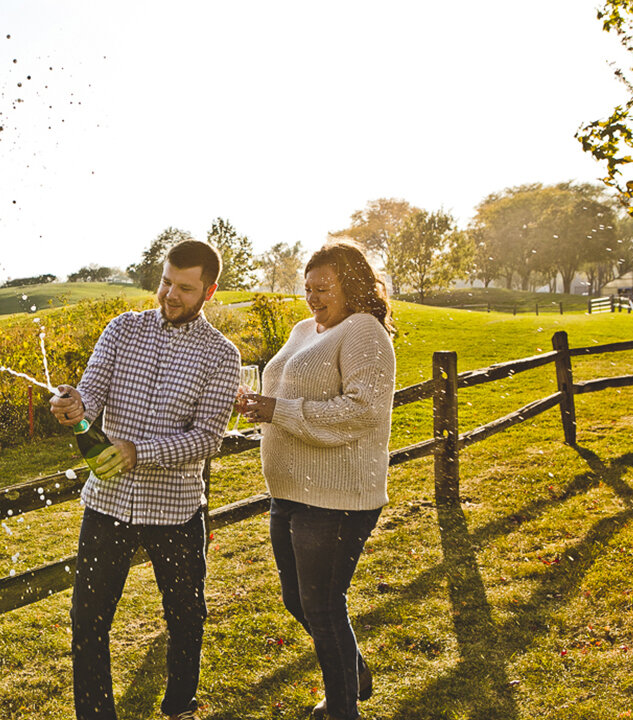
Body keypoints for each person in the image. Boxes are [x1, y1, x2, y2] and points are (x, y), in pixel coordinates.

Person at [50, 239, 241, 720]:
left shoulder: (222, 355)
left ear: (209, 291)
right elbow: (91, 394)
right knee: (87, 621)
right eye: (166, 282)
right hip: (107, 502)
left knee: (185, 617)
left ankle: (179, 706)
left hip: (175, 510)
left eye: (185, 288)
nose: (170, 295)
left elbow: (207, 439)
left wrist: (141, 452)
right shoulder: (122, 330)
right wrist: (74, 404)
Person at [241, 240, 396, 720]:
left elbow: (363, 411)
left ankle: (342, 709)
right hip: (289, 492)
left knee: (323, 607)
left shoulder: (364, 331)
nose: (312, 297)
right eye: (308, 288)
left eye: (323, 288)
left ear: (352, 286)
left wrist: (277, 410)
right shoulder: (303, 329)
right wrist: (259, 405)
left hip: (336, 498)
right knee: (298, 600)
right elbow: (283, 394)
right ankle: (354, 671)